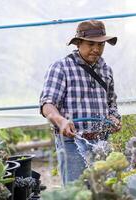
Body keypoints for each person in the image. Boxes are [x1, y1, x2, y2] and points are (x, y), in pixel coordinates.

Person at [39, 20, 122, 185]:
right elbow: (47, 104)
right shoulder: (61, 67)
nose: (96, 49)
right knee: (76, 190)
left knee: (103, 189)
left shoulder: (106, 70)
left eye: (101, 45)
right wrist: (60, 120)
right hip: (72, 142)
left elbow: (111, 104)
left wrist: (114, 118)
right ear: (78, 43)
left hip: (101, 141)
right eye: (91, 44)